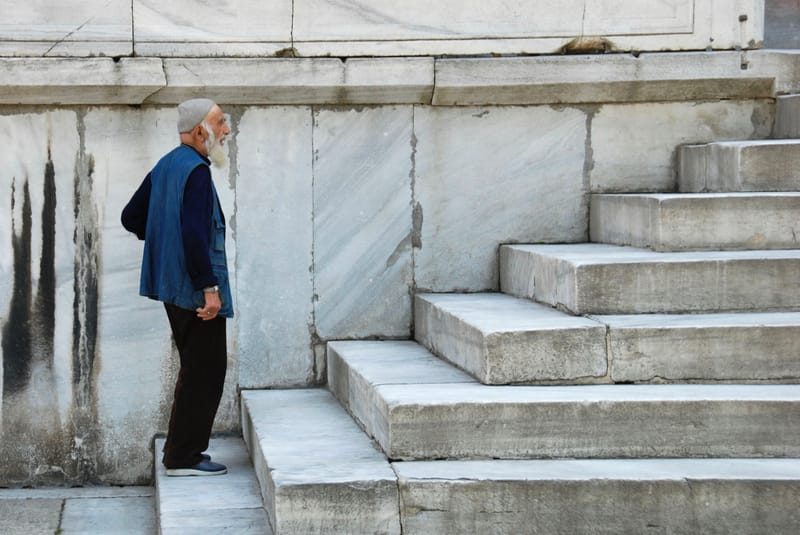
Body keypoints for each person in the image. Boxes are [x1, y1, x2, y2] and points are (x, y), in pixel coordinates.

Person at [121, 98, 233, 476]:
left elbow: (131, 217)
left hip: (172, 285)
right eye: (220, 123)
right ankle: (183, 456)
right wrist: (209, 288)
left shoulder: (168, 164)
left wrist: (161, 239)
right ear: (200, 130)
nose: (226, 130)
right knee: (208, 367)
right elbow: (194, 234)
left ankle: (180, 452)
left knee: (196, 366)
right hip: (194, 289)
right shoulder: (197, 172)